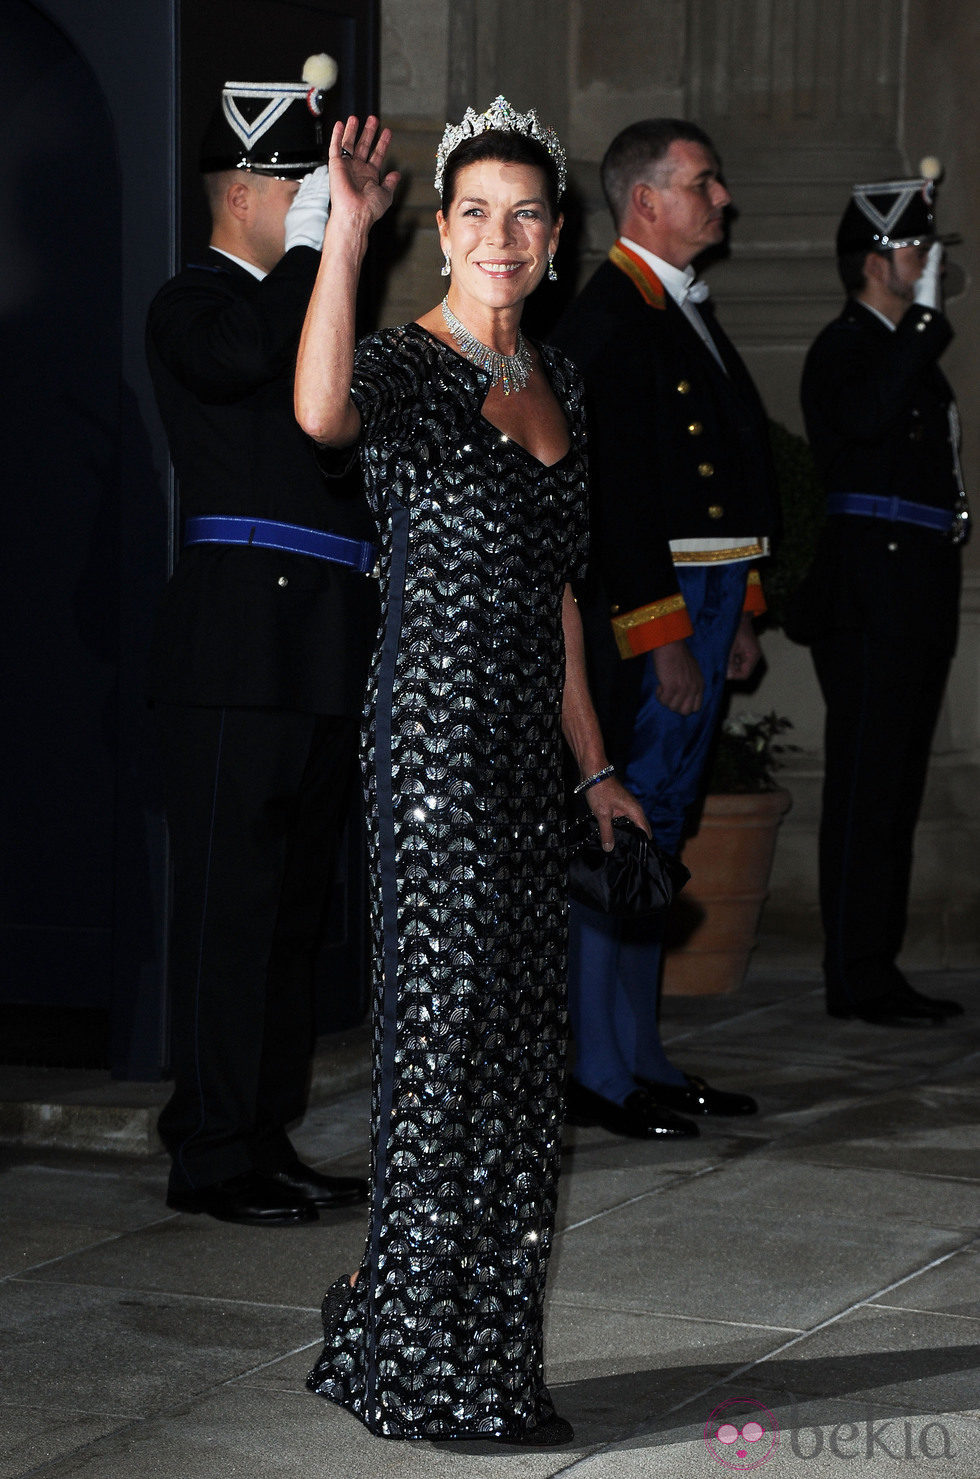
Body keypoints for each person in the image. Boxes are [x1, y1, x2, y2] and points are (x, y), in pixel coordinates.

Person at [294, 102, 649, 1445]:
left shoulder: (559, 378)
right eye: (477, 213)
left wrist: (597, 766)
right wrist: (345, 235)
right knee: (441, 1058)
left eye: (527, 215)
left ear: (557, 240)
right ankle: (416, 1371)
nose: (502, 236)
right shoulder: (406, 358)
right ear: (442, 228)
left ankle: (464, 1346)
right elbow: (319, 410)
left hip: (521, 755)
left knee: (513, 1066)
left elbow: (561, 598)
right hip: (432, 747)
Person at [146, 57, 377, 1225]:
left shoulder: (308, 292)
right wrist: (308, 253)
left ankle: (259, 1131)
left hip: (320, 639)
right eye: (295, 188)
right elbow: (243, 365)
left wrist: (319, 264)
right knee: (229, 911)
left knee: (291, 915)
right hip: (238, 646)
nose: (316, 208)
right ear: (244, 191)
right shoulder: (194, 301)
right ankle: (208, 1151)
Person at [551, 119, 777, 1139]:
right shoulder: (609, 314)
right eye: (702, 182)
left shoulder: (675, 306)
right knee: (624, 831)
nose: (719, 199)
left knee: (666, 836)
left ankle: (638, 1052)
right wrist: (663, 634)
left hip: (704, 601)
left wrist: (741, 611)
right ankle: (595, 1071)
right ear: (644, 199)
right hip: (650, 613)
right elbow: (620, 503)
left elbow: (727, 483)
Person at [793, 170, 968, 1025]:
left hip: (916, 585)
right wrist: (923, 325)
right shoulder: (847, 346)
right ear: (872, 261)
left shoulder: (902, 349)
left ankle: (878, 964)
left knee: (895, 787)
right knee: (866, 785)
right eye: (912, 247)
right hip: (870, 592)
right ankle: (855, 972)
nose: (925, 259)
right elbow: (861, 420)